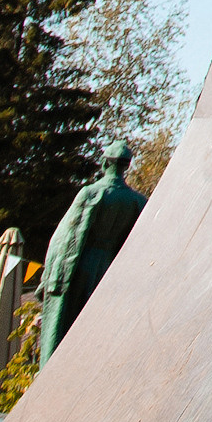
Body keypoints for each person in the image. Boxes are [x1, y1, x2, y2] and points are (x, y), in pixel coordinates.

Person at [37, 144, 148, 364]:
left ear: (105, 162)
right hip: (111, 273)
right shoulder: (138, 202)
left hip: (79, 268)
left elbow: (67, 239)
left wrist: (50, 278)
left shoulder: (92, 193)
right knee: (96, 333)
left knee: (64, 329)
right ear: (127, 166)